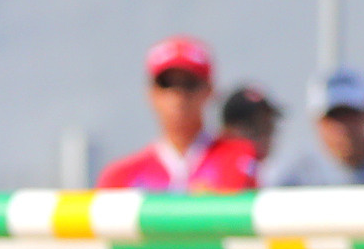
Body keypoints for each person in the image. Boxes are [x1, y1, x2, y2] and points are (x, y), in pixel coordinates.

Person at [96, 36, 259, 192]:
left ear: (209, 90)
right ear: (151, 92)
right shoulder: (120, 177)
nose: (178, 94)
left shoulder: (237, 158)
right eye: (166, 83)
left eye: (189, 83)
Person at [219, 84, 282, 167]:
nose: (264, 136)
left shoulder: (272, 173)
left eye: (268, 127)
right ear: (228, 130)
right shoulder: (212, 169)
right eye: (256, 127)